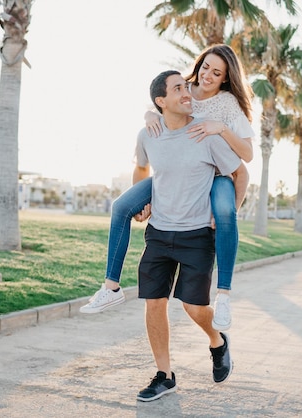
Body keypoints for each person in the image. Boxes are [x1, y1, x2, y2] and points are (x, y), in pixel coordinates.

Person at [80, 44, 255, 332]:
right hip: (176, 174)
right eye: (205, 68)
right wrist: (149, 116)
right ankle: (111, 287)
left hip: (213, 175)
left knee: (225, 213)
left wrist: (220, 128)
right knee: (121, 207)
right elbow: (161, 106)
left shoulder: (227, 105)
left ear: (225, 78)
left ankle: (223, 296)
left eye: (217, 72)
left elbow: (245, 159)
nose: (207, 76)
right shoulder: (184, 90)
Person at [134, 70, 247, 402]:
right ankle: (164, 375)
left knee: (194, 306)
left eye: (187, 86)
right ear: (160, 101)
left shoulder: (206, 135)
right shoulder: (148, 134)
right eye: (179, 89)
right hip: (159, 233)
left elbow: (240, 171)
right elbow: (141, 168)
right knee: (154, 303)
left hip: (197, 234)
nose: (188, 93)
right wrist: (141, 201)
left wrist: (228, 214)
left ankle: (217, 340)